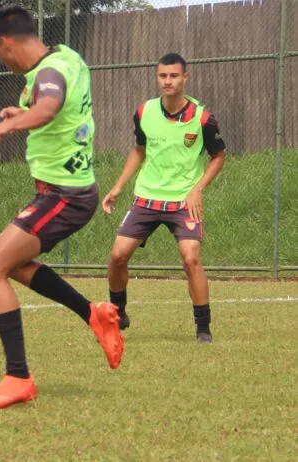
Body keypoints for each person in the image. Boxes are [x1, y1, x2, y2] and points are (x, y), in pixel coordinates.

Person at [0, 6, 123, 410]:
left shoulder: (48, 73)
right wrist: (23, 112)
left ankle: (18, 377)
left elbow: (50, 107)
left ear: (5, 43)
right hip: (64, 192)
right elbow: (59, 109)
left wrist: (9, 124)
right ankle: (94, 313)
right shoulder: (67, 57)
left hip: (65, 196)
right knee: (15, 266)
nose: (0, 60)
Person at [102, 53, 225, 344]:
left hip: (184, 203)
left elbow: (218, 156)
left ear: (185, 78)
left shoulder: (202, 118)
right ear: (157, 78)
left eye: (173, 76)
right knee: (117, 256)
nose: (168, 81)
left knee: (191, 258)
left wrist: (197, 189)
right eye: (162, 76)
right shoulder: (144, 111)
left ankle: (203, 328)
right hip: (147, 199)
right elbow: (139, 150)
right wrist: (118, 186)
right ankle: (118, 313)